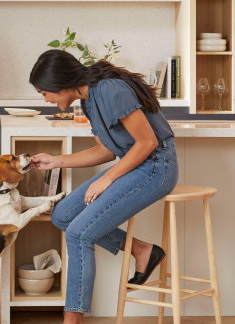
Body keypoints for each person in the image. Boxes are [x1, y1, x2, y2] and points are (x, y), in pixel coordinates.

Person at [29, 50, 177, 323]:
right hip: (137, 164)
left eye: (43, 93)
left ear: (59, 83)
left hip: (157, 166)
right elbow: (106, 151)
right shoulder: (88, 99)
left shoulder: (110, 89)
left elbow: (147, 143)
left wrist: (106, 178)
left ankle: (72, 321)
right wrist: (56, 161)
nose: (45, 99)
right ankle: (141, 249)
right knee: (62, 215)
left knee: (79, 234)